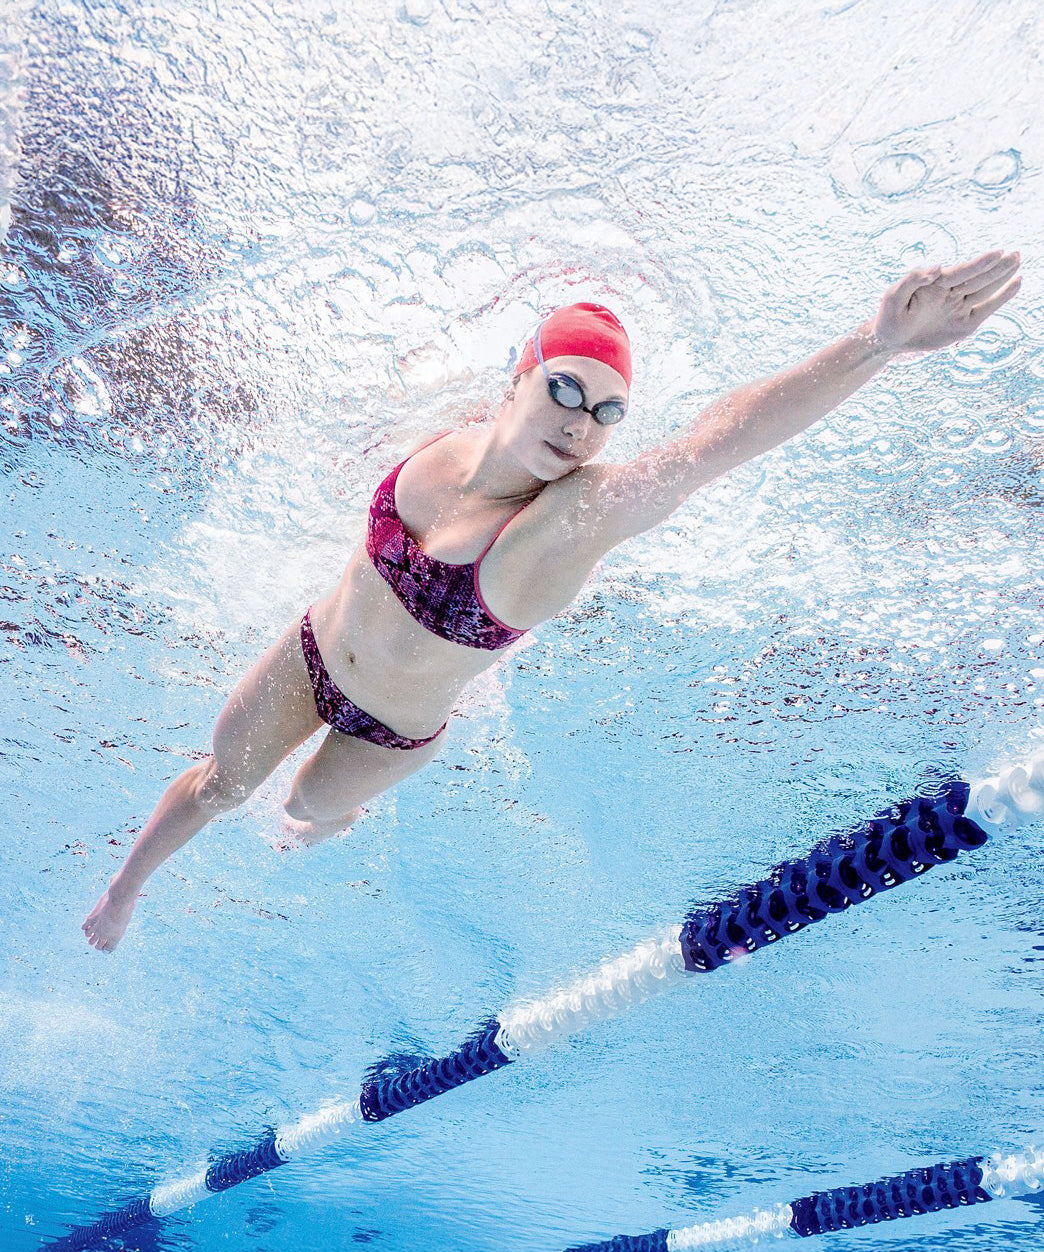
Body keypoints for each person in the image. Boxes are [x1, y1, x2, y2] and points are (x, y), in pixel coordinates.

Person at [82, 251, 1022, 951]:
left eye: (607, 412)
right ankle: (126, 889)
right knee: (223, 783)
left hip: (389, 733)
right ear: (517, 378)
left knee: (304, 807)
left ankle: (334, 817)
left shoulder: (561, 525)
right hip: (312, 654)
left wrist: (875, 344)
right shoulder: (444, 439)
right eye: (567, 390)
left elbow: (714, 443)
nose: (581, 424)